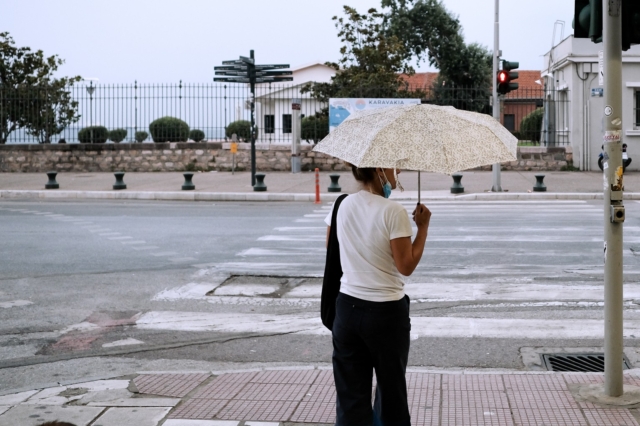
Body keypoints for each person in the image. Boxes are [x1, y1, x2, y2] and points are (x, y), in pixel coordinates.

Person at [325, 165, 431, 426]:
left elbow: (331, 249)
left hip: (347, 310)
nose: (396, 175)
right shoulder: (392, 211)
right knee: (391, 393)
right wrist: (423, 228)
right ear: (380, 170)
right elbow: (406, 266)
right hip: (385, 314)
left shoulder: (341, 206)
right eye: (393, 169)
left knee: (350, 397)